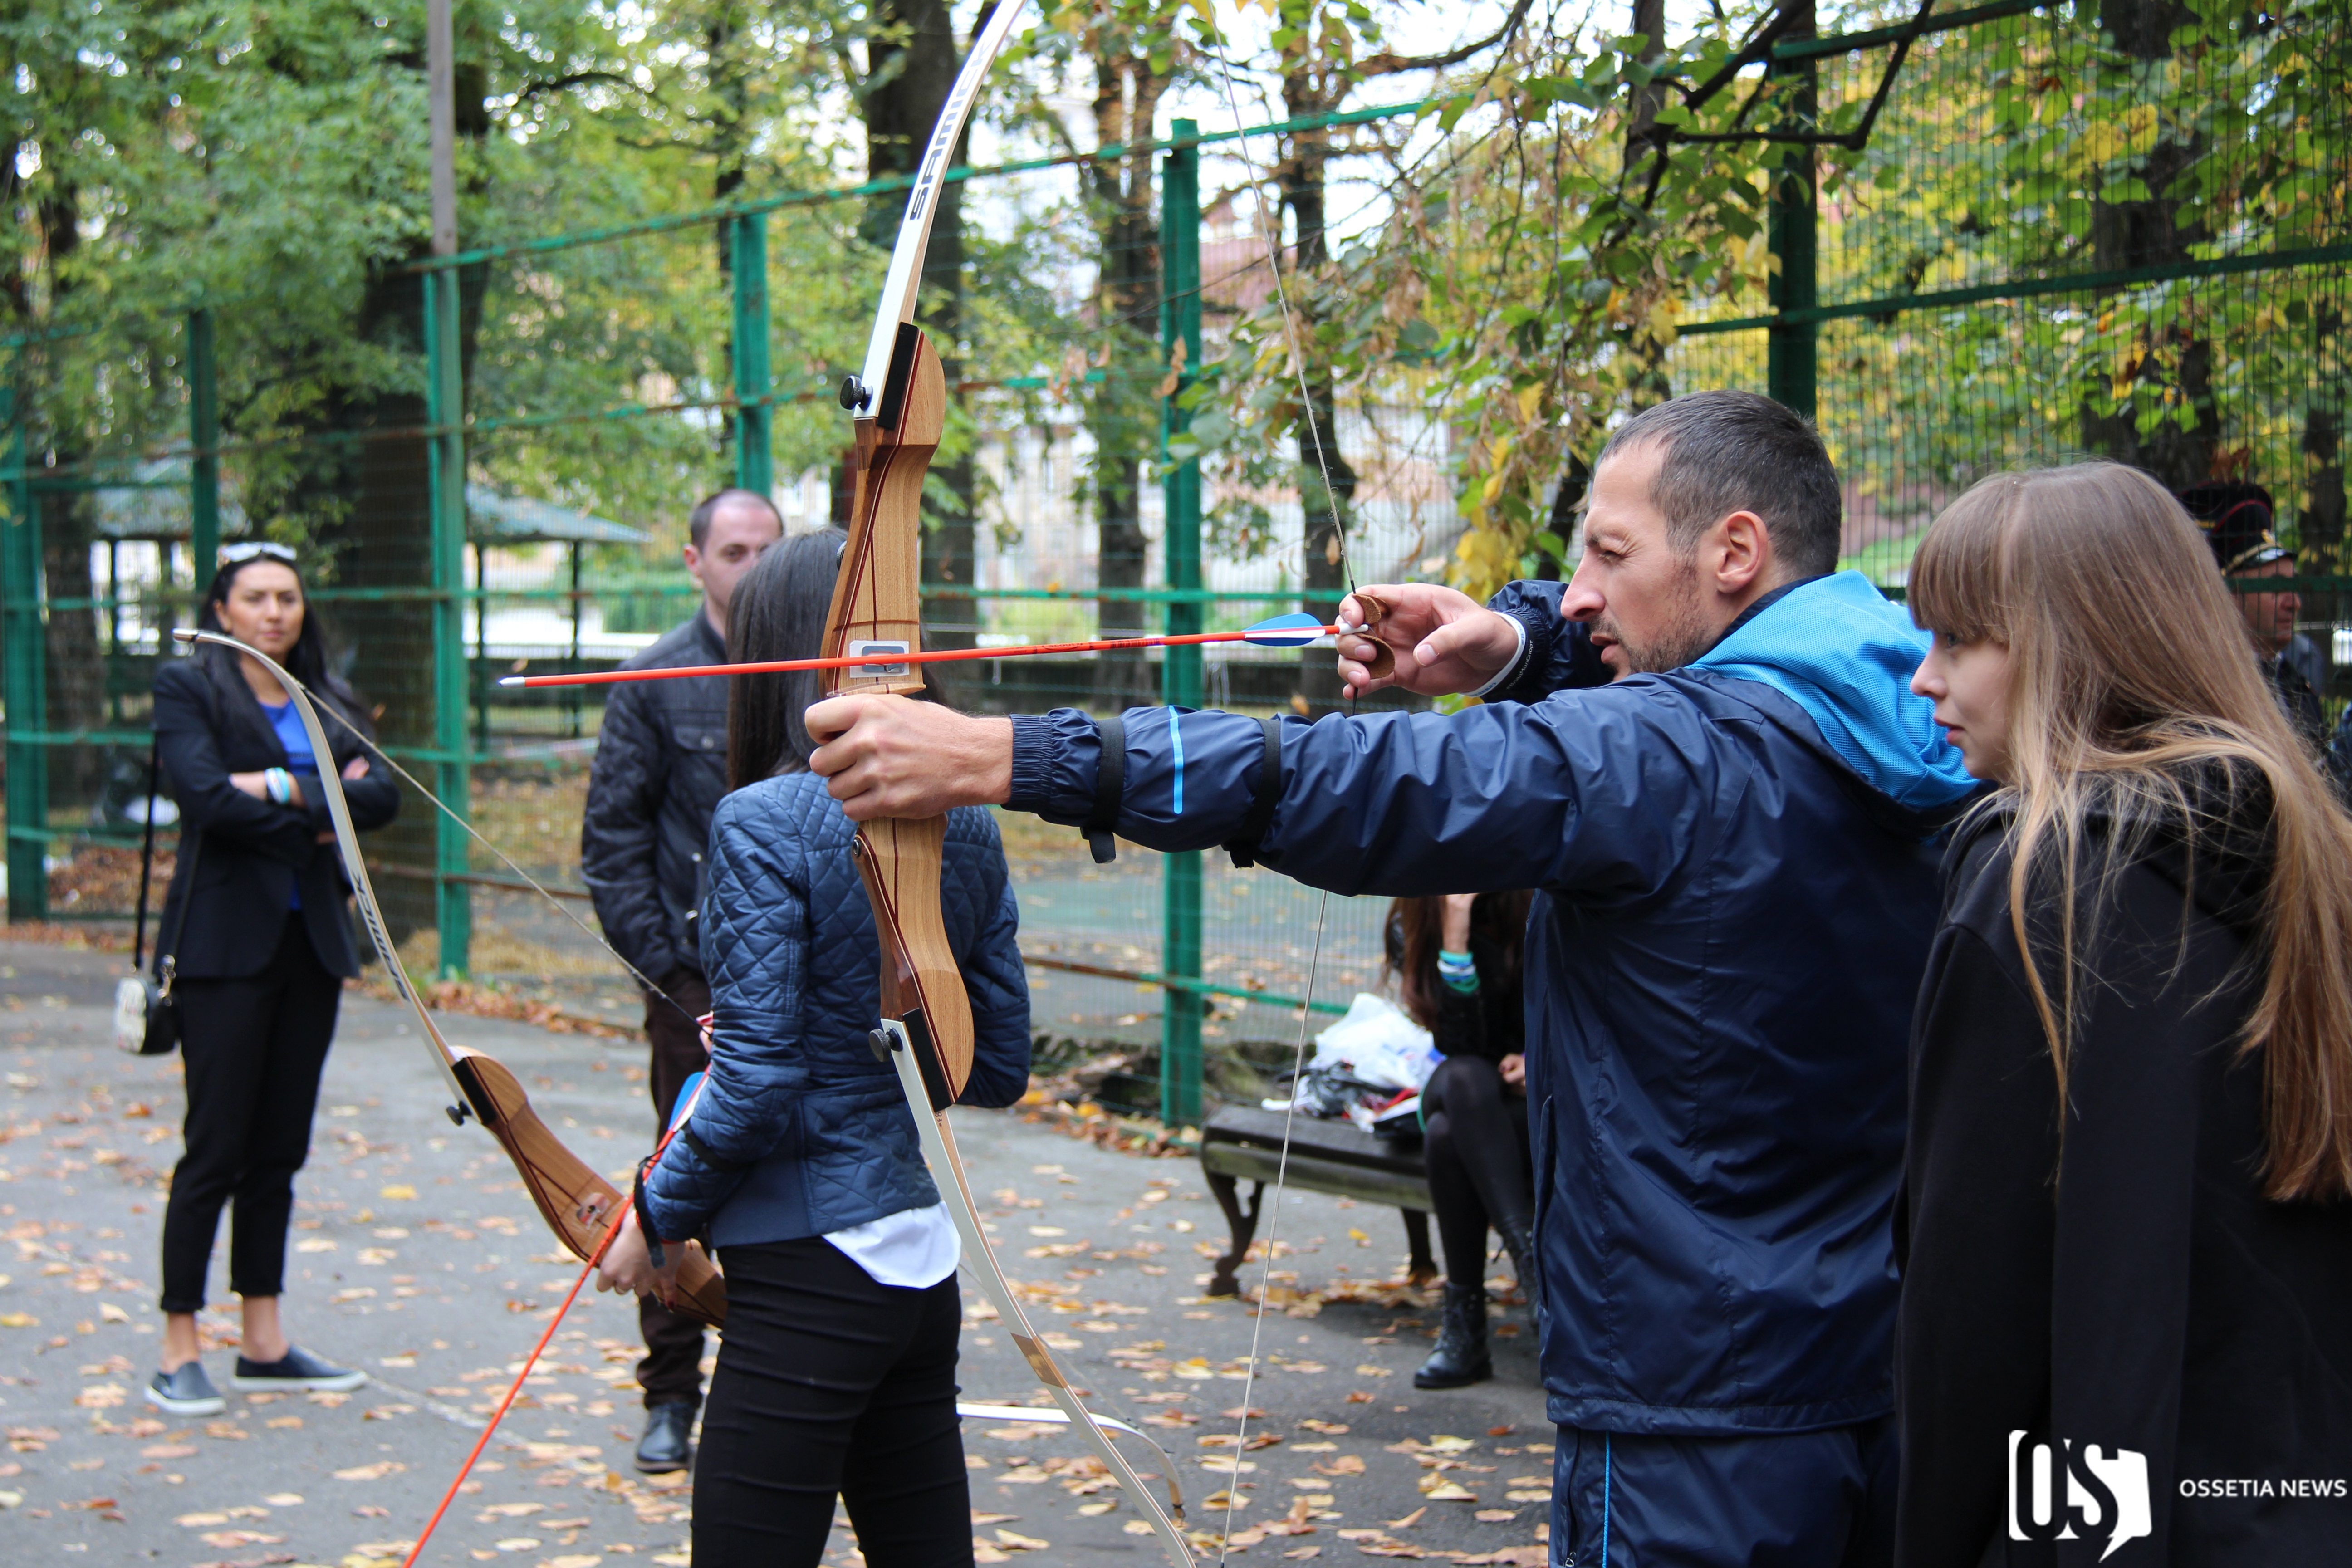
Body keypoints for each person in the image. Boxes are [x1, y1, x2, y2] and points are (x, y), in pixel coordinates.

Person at [802, 391, 1982, 1565]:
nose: (1579, 594)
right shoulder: (1912, 713)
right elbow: (1674, 673)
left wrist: (1010, 756)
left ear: (1735, 551)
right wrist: (1516, 645)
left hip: (1695, 1411)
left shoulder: (1674, 751)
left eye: (1610, 557)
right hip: (1877, 1367)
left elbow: (1365, 782)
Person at [1900, 463, 2352, 1564]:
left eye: (1960, 639)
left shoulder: (2034, 890)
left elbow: (1975, 1327)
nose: (1923, 679)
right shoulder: (2311, 856)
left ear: (2072, 642)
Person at [594, 531, 1030, 1568]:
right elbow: (995, 1061)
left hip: (808, 1273)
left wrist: (653, 1215)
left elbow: (751, 1090)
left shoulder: (760, 819)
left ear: (770, 648)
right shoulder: (966, 819)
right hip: (919, 1269)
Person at [144, 543, 401, 1416]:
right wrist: (315, 807)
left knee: (279, 1151)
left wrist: (275, 789)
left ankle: (263, 1339)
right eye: (255, 597)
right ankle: (179, 1342)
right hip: (221, 946)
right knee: (214, 1146)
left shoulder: (324, 695)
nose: (274, 613)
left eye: (287, 597)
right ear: (222, 610)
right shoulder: (190, 689)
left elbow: (382, 797)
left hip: (311, 948)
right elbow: (206, 798)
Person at [581, 486, 781, 1471]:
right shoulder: (654, 680)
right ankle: (671, 1395)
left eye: (767, 551)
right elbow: (611, 842)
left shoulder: (819, 666)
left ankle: (788, 1389)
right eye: (734, 550)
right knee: (679, 1178)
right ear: (696, 562)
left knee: (796, 1186)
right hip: (694, 985)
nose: (751, 566)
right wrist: (667, 972)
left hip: (807, 985)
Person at [1383, 891, 1535, 1389]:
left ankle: (1466, 1332)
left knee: (1447, 1136)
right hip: (1474, 1092)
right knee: (1464, 1079)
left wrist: (1542, 1057)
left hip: (1534, 1102)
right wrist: (1455, 930)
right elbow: (1461, 1044)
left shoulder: (1535, 897)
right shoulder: (1416, 916)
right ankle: (1531, 1266)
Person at [2176, 480, 2328, 752]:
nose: (2294, 603)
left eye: (2293, 587)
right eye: (2274, 587)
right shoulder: (2204, 691)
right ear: (2230, 596)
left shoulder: (2292, 679)